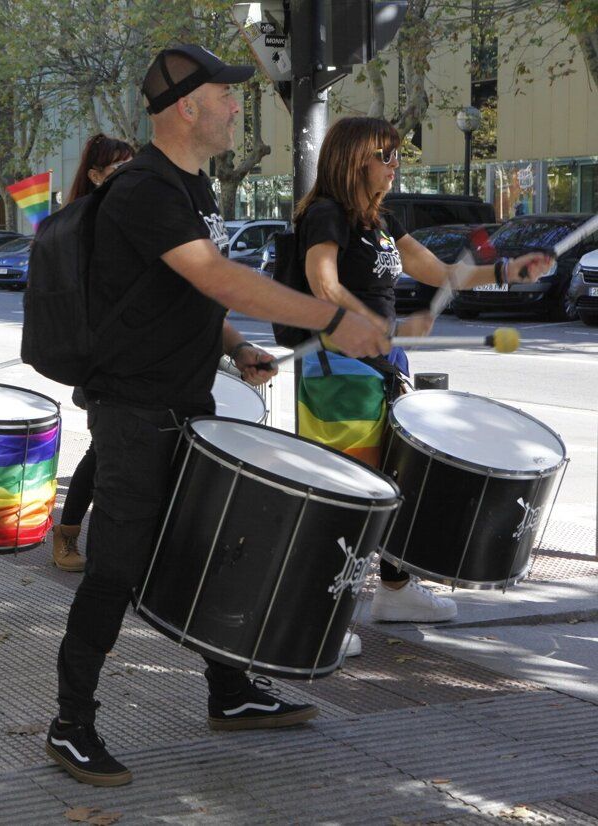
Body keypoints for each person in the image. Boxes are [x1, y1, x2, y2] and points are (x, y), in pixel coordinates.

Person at [45, 44, 393, 788]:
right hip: (135, 411)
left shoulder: (190, 188)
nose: (240, 106)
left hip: (182, 400)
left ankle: (230, 694)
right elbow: (217, 276)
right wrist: (330, 320)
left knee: (214, 545)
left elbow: (183, 294)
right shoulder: (145, 188)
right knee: (117, 569)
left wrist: (233, 349)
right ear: (186, 108)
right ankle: (71, 724)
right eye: (227, 97)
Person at [293, 116, 553, 635]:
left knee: (395, 478)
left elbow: (438, 272)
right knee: (346, 490)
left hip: (383, 365)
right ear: (354, 159)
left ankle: (393, 591)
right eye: (385, 157)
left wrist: (506, 272)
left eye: (396, 157)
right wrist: (379, 325)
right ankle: (318, 618)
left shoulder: (380, 221)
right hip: (339, 368)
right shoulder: (326, 215)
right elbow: (322, 286)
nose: (394, 167)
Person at [52, 134, 135, 573]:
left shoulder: (137, 217)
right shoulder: (81, 223)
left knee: (121, 454)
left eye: (131, 166)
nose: (128, 176)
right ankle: (66, 534)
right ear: (96, 175)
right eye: (118, 169)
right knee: (102, 452)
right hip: (100, 361)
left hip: (139, 357)